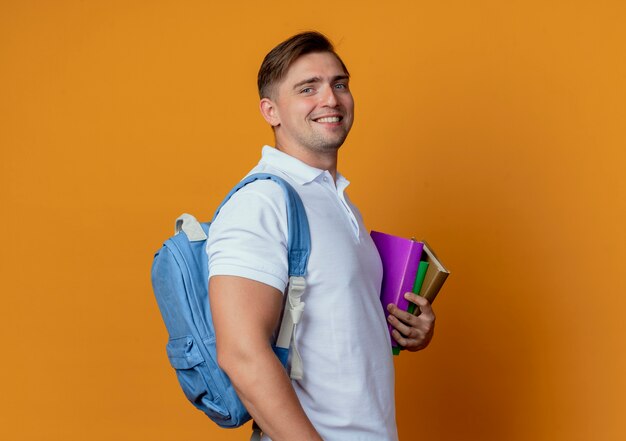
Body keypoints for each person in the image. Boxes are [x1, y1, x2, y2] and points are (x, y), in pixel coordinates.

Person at [207, 31, 435, 441]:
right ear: (270, 110)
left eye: (339, 84)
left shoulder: (336, 200)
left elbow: (334, 326)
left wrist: (406, 330)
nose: (330, 99)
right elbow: (241, 354)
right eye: (307, 88)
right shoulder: (263, 201)